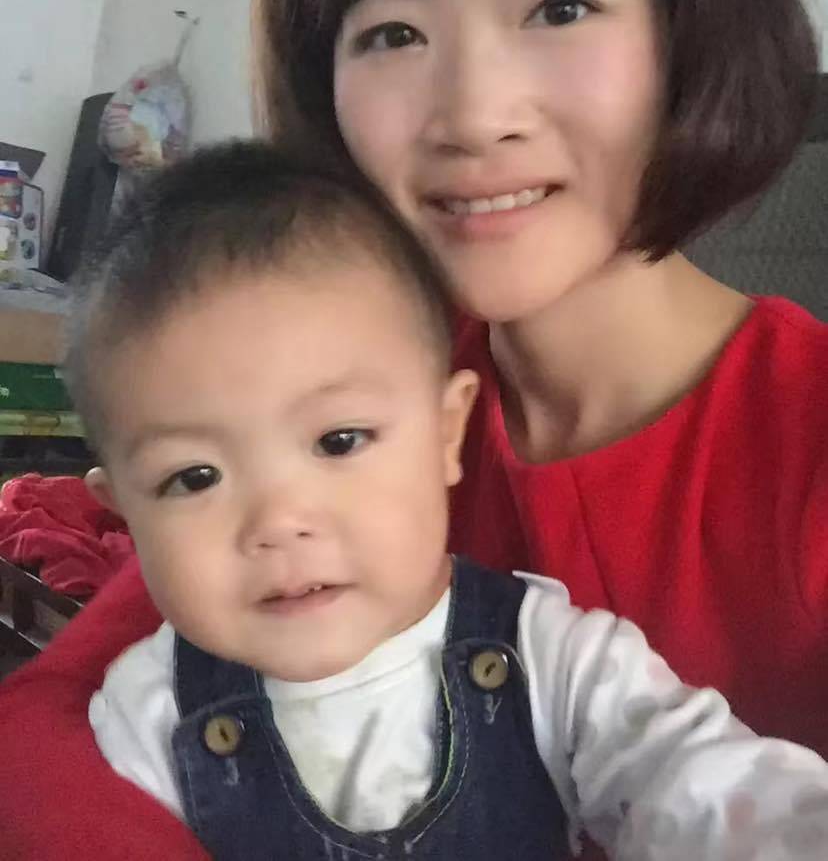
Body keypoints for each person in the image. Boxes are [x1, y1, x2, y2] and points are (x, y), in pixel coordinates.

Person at [0, 0, 825, 857]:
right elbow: (48, 741)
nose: (474, 115)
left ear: (692, 27)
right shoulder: (324, 389)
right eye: (392, 32)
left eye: (562, 7)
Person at [73, 140, 828, 860]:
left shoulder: (555, 663)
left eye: (339, 441)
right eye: (195, 478)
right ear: (125, 511)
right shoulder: (146, 717)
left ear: (446, 432)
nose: (279, 523)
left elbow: (703, 788)